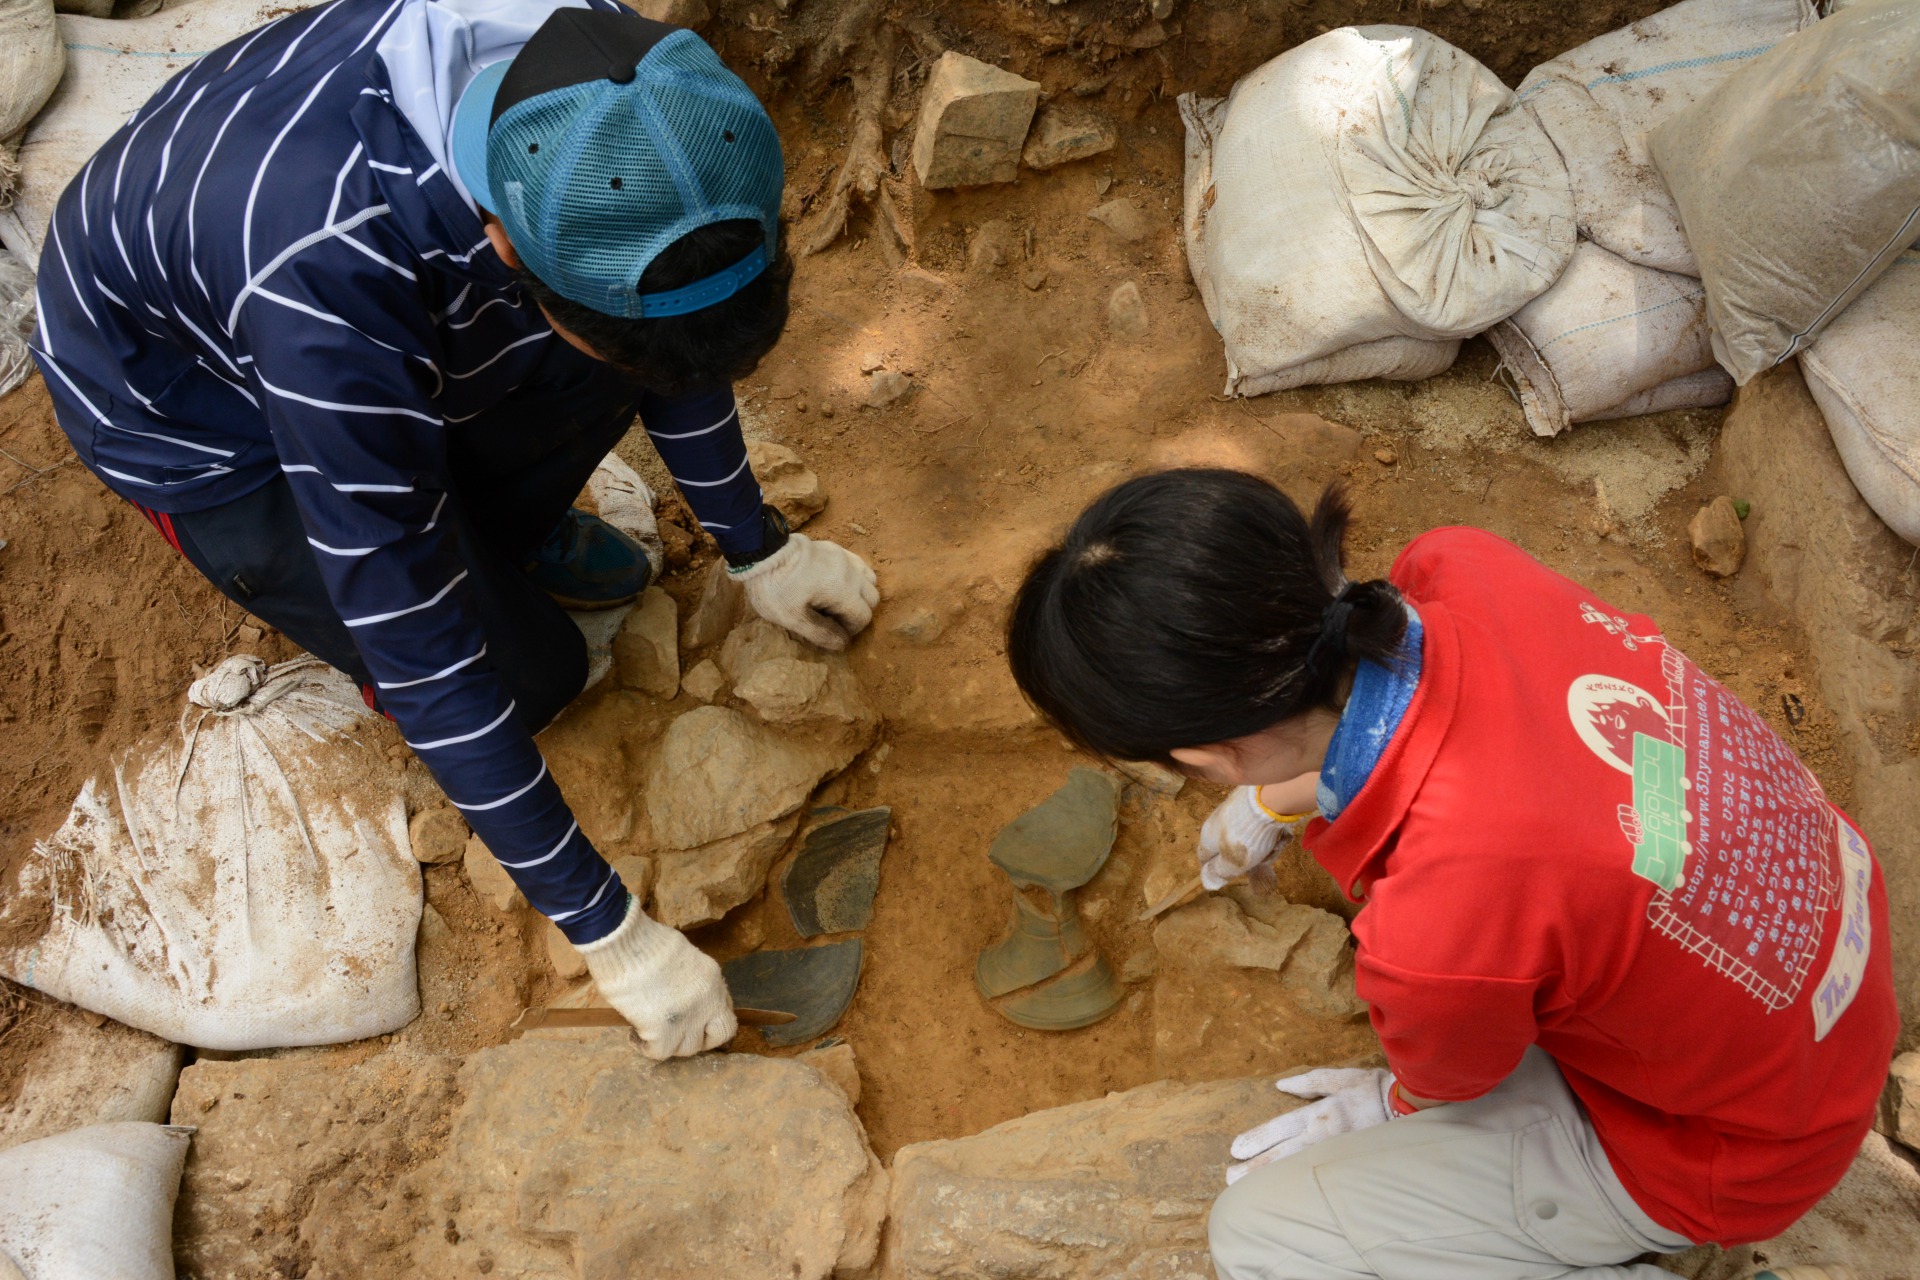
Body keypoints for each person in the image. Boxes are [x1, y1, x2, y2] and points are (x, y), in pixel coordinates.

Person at [30, 0, 879, 1060]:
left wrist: (759, 544)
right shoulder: (322, 284)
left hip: (359, 279)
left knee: (605, 357)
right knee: (528, 678)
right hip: (191, 408)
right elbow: (422, 650)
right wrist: (610, 931)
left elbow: (673, 338)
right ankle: (453, 544)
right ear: (502, 241)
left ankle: (498, 534)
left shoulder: (634, 93)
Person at [1006, 468, 1896, 1280]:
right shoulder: (1459, 565)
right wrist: (1286, 797)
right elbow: (1491, 737)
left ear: (1207, 754)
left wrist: (1389, 1105)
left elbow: (1450, 1076)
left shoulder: (1439, 926)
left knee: (1262, 1238)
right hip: (1827, 958)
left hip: (1736, 1151)